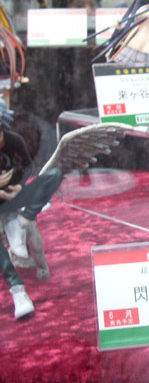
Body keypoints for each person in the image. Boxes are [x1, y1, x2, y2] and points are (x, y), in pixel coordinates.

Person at [0, 101, 63, 318]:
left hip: (16, 197)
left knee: (54, 175)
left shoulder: (13, 140)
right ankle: (17, 289)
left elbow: (28, 166)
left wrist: (17, 186)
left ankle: (22, 222)